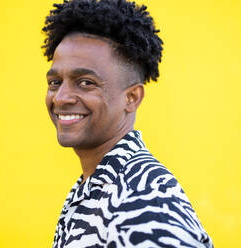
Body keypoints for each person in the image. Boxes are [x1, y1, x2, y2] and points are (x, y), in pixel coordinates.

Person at [42, 0, 213, 247]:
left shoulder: (146, 204)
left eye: (86, 82)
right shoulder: (97, 185)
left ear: (131, 97)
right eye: (55, 82)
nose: (61, 97)